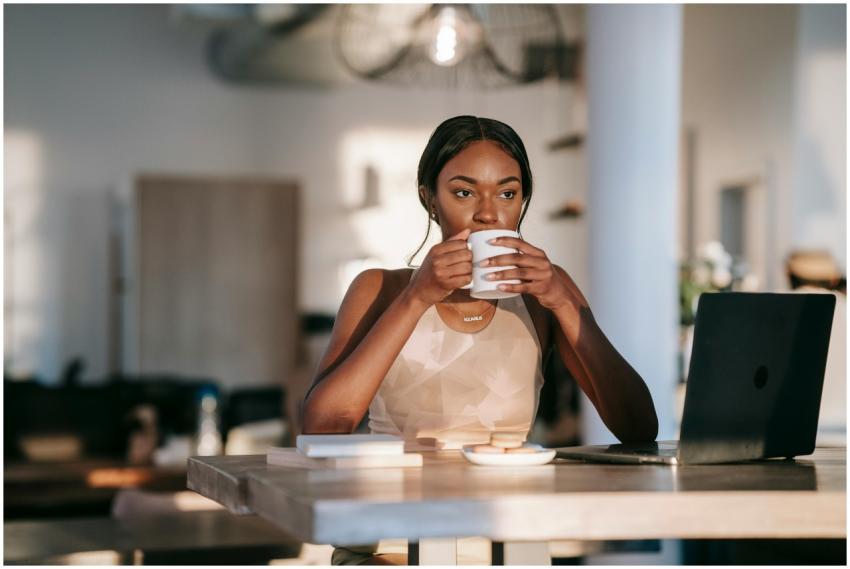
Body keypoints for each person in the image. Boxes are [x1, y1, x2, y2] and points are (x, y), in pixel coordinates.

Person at [301, 115, 658, 564]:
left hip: (512, 546)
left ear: (522, 201)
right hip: (387, 547)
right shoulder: (381, 289)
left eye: (507, 193)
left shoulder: (543, 296)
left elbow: (638, 427)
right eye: (464, 192)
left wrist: (564, 303)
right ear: (429, 198)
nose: (489, 213)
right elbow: (321, 427)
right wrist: (417, 298)